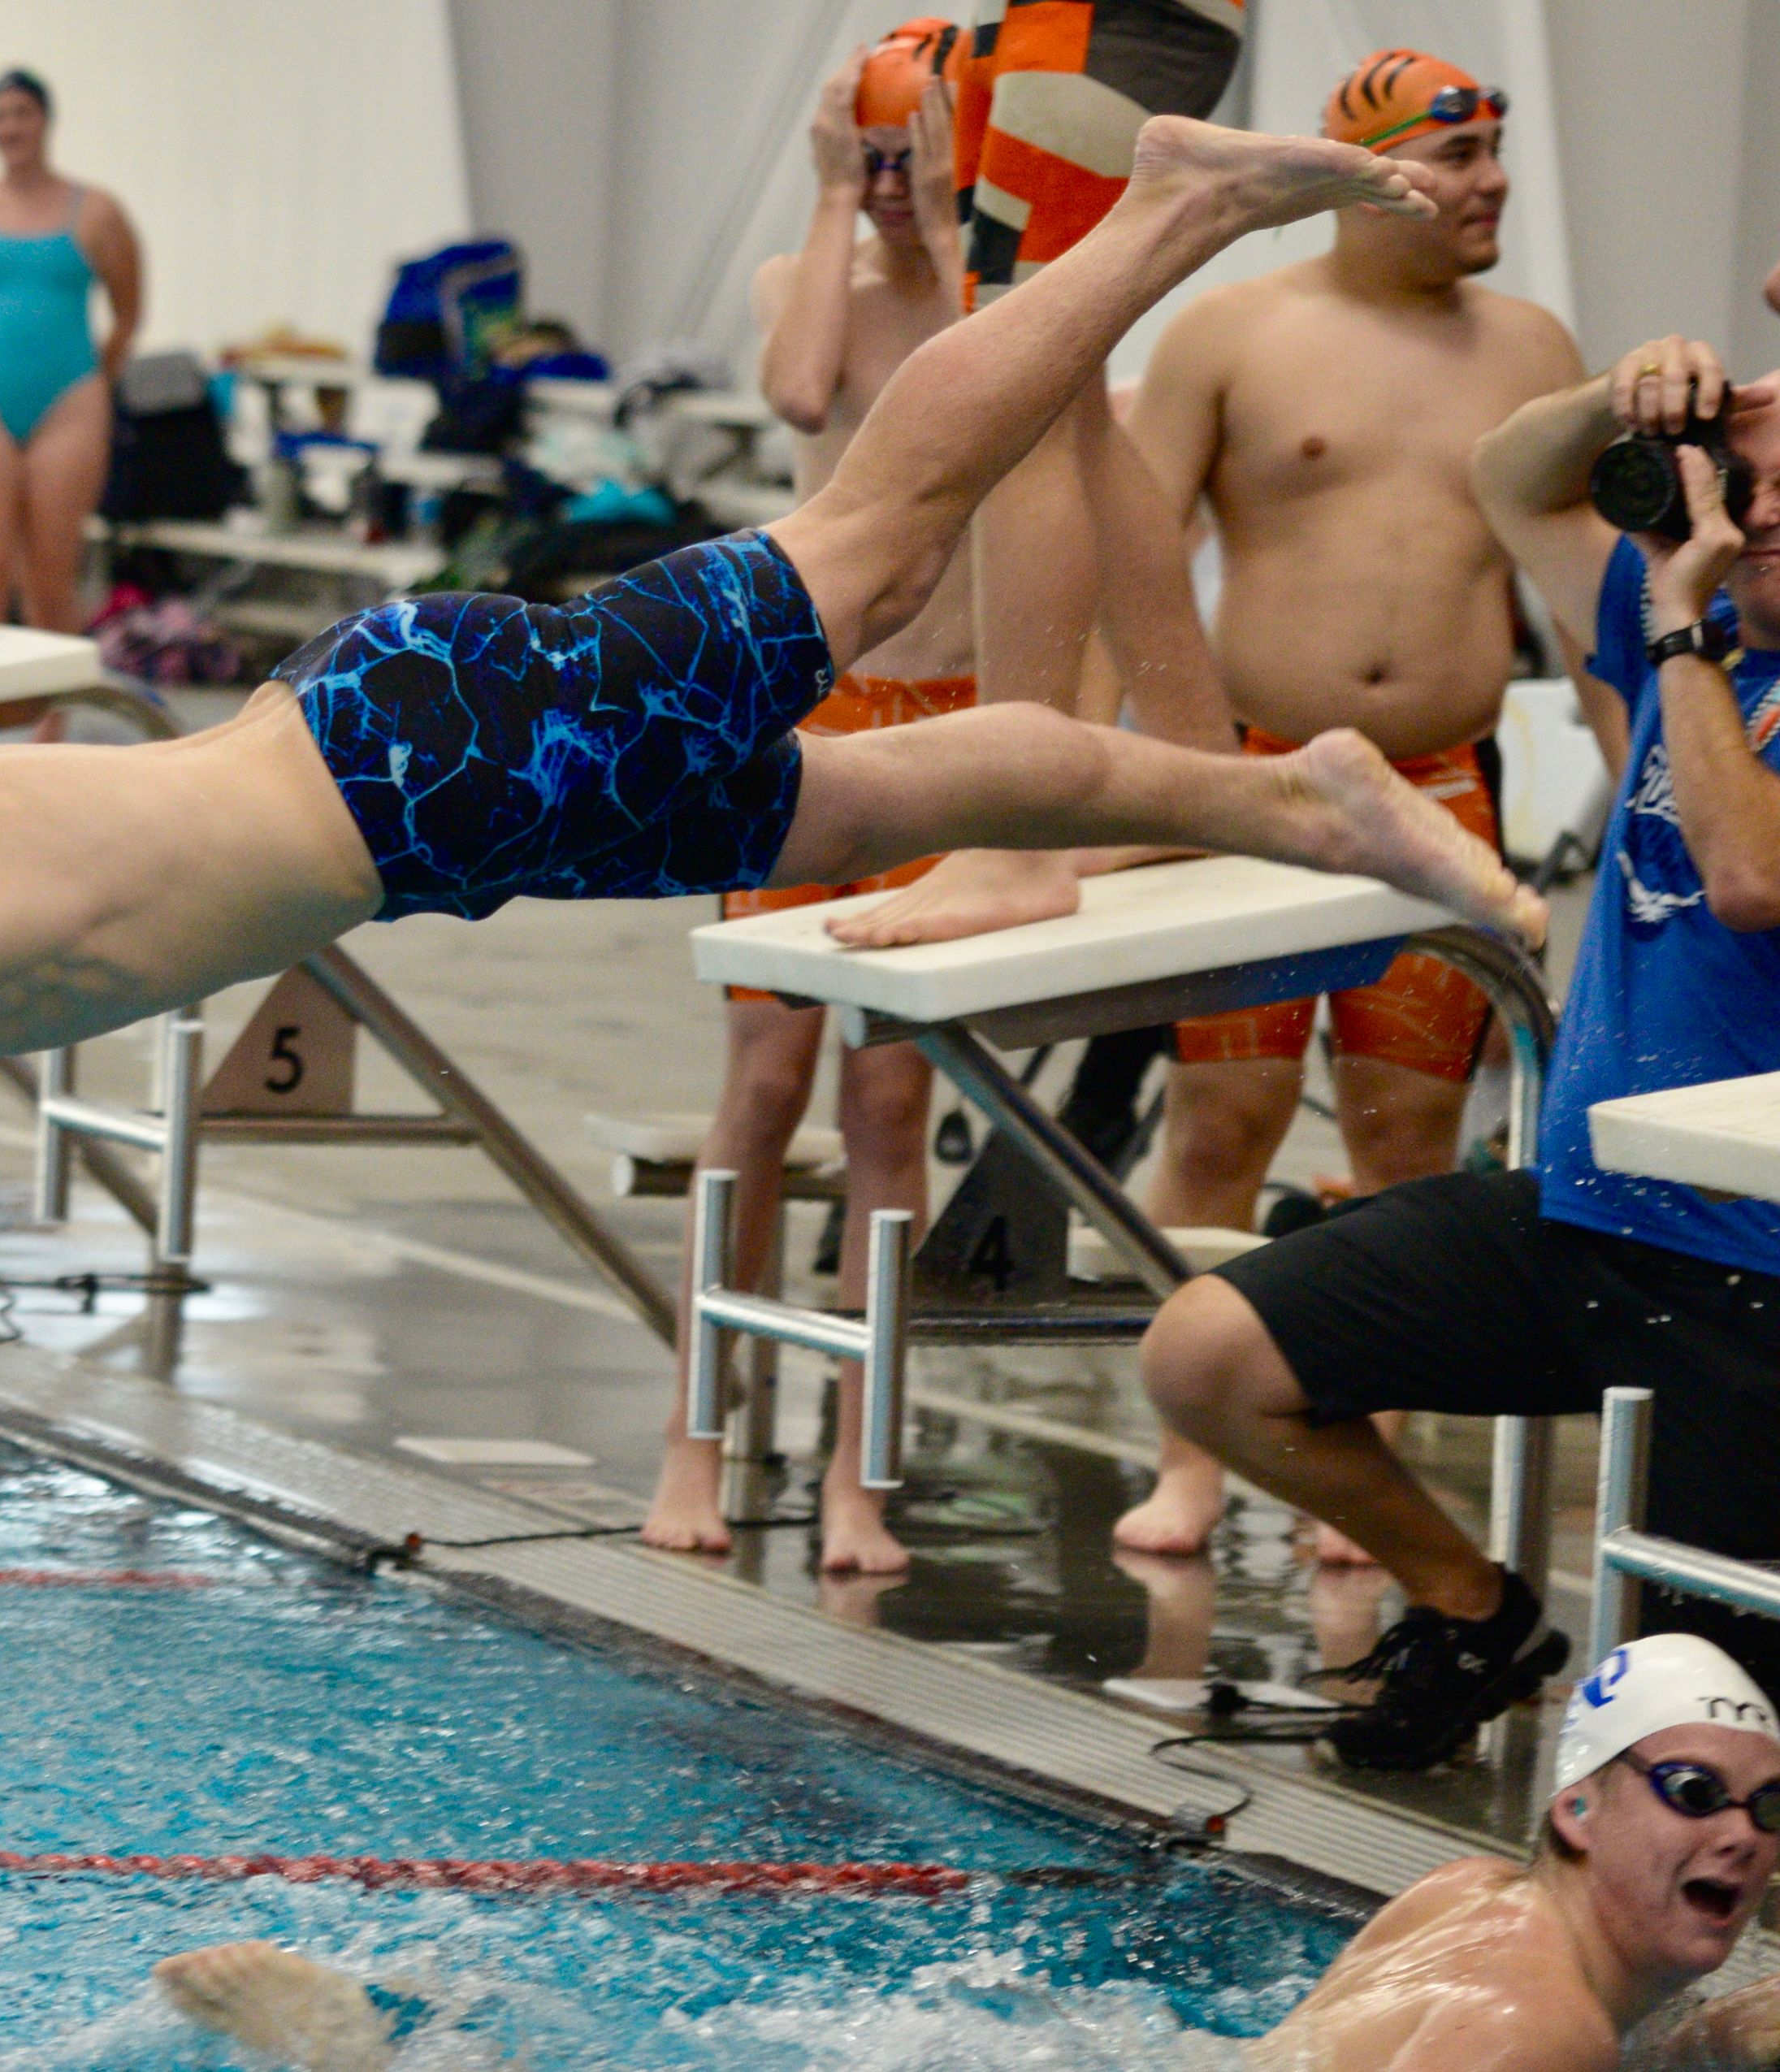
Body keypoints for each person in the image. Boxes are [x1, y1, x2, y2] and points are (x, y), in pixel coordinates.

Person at [0, 119, 1539, 1580]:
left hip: (410, 764)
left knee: (862, 549)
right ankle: (1289, 796)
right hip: (396, 785)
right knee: (855, 791)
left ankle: (1168, 210)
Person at [1137, 333, 1780, 1771]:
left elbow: (1750, 876)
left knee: (1695, 1747)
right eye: (1739, 484)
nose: (1756, 515)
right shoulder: (1696, 623)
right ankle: (1472, 1611)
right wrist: (1622, 397)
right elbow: (1510, 473)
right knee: (1211, 1352)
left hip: (1758, 1272)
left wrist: (1680, 636)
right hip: (1585, 1221)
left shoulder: (1691, 644)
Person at [1106, 51, 1587, 1565]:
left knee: (1409, 1140)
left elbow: (1584, 596)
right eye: (1459, 153)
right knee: (1224, 1122)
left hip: (1443, 785)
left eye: (1498, 148)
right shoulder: (1237, 330)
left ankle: (1344, 1454)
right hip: (1258, 782)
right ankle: (1193, 1455)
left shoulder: (1533, 345)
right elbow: (1133, 549)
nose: (1492, 178)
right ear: (1365, 170)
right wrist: (1159, 763)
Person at [149, 1635, 1780, 2071]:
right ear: (1578, 1806)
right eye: (1695, 1791)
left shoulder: (1468, 1901)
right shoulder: (1540, 2028)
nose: (1739, 1838)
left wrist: (1706, 2036)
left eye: (1769, 1811)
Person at [645, 23, 972, 1572]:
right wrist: (840, 193)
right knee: (765, 1087)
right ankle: (696, 1435)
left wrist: (957, 216)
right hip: (815, 720)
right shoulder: (809, 282)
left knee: (890, 1106)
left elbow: (997, 368)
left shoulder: (991, 299)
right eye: (877, 156)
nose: (899, 187)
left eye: (920, 156)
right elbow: (794, 392)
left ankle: (860, 1473)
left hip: (954, 727)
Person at [835, 0, 1249, 951]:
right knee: (1070, 399)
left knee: (1023, 397)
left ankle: (1013, 831)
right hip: (1036, 24)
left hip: (1103, 21)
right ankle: (1192, 769)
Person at [0, 69, 142, 635]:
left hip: (68, 399)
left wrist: (95, 383)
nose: (10, 126)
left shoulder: (97, 212)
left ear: (45, 121)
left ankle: (49, 724)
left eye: (22, 113)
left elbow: (128, 311)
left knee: (51, 576)